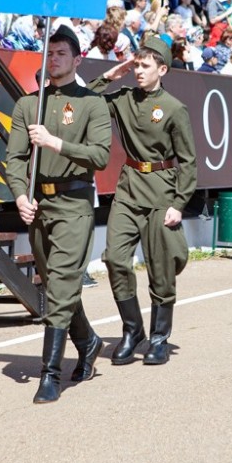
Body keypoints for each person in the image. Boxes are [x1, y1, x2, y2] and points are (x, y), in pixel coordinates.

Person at [5, 25, 110, 404]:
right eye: (49, 53)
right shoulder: (28, 105)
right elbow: (15, 158)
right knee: (56, 285)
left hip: (74, 204)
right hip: (39, 205)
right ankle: (88, 341)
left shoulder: (92, 103)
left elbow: (100, 155)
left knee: (62, 283)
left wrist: (55, 142)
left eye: (62, 53)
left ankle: (50, 374)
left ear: (77, 60)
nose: (54, 59)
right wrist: (20, 195)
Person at [89, 37, 197, 366]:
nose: (138, 70)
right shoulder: (123, 98)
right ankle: (133, 330)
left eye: (145, 66)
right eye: (136, 65)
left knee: (161, 267)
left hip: (162, 192)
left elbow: (188, 161)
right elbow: (85, 101)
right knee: (115, 258)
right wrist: (109, 76)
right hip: (129, 188)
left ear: (162, 70)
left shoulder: (175, 109)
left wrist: (179, 203)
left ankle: (159, 338)